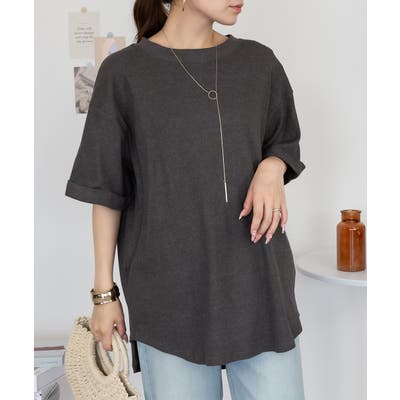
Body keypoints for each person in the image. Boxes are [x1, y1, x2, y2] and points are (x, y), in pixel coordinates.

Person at [64, 0, 307, 399]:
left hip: (260, 291)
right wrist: (104, 295)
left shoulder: (259, 64)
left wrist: (273, 166)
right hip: (169, 301)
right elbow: (107, 191)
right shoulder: (123, 73)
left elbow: (284, 140)